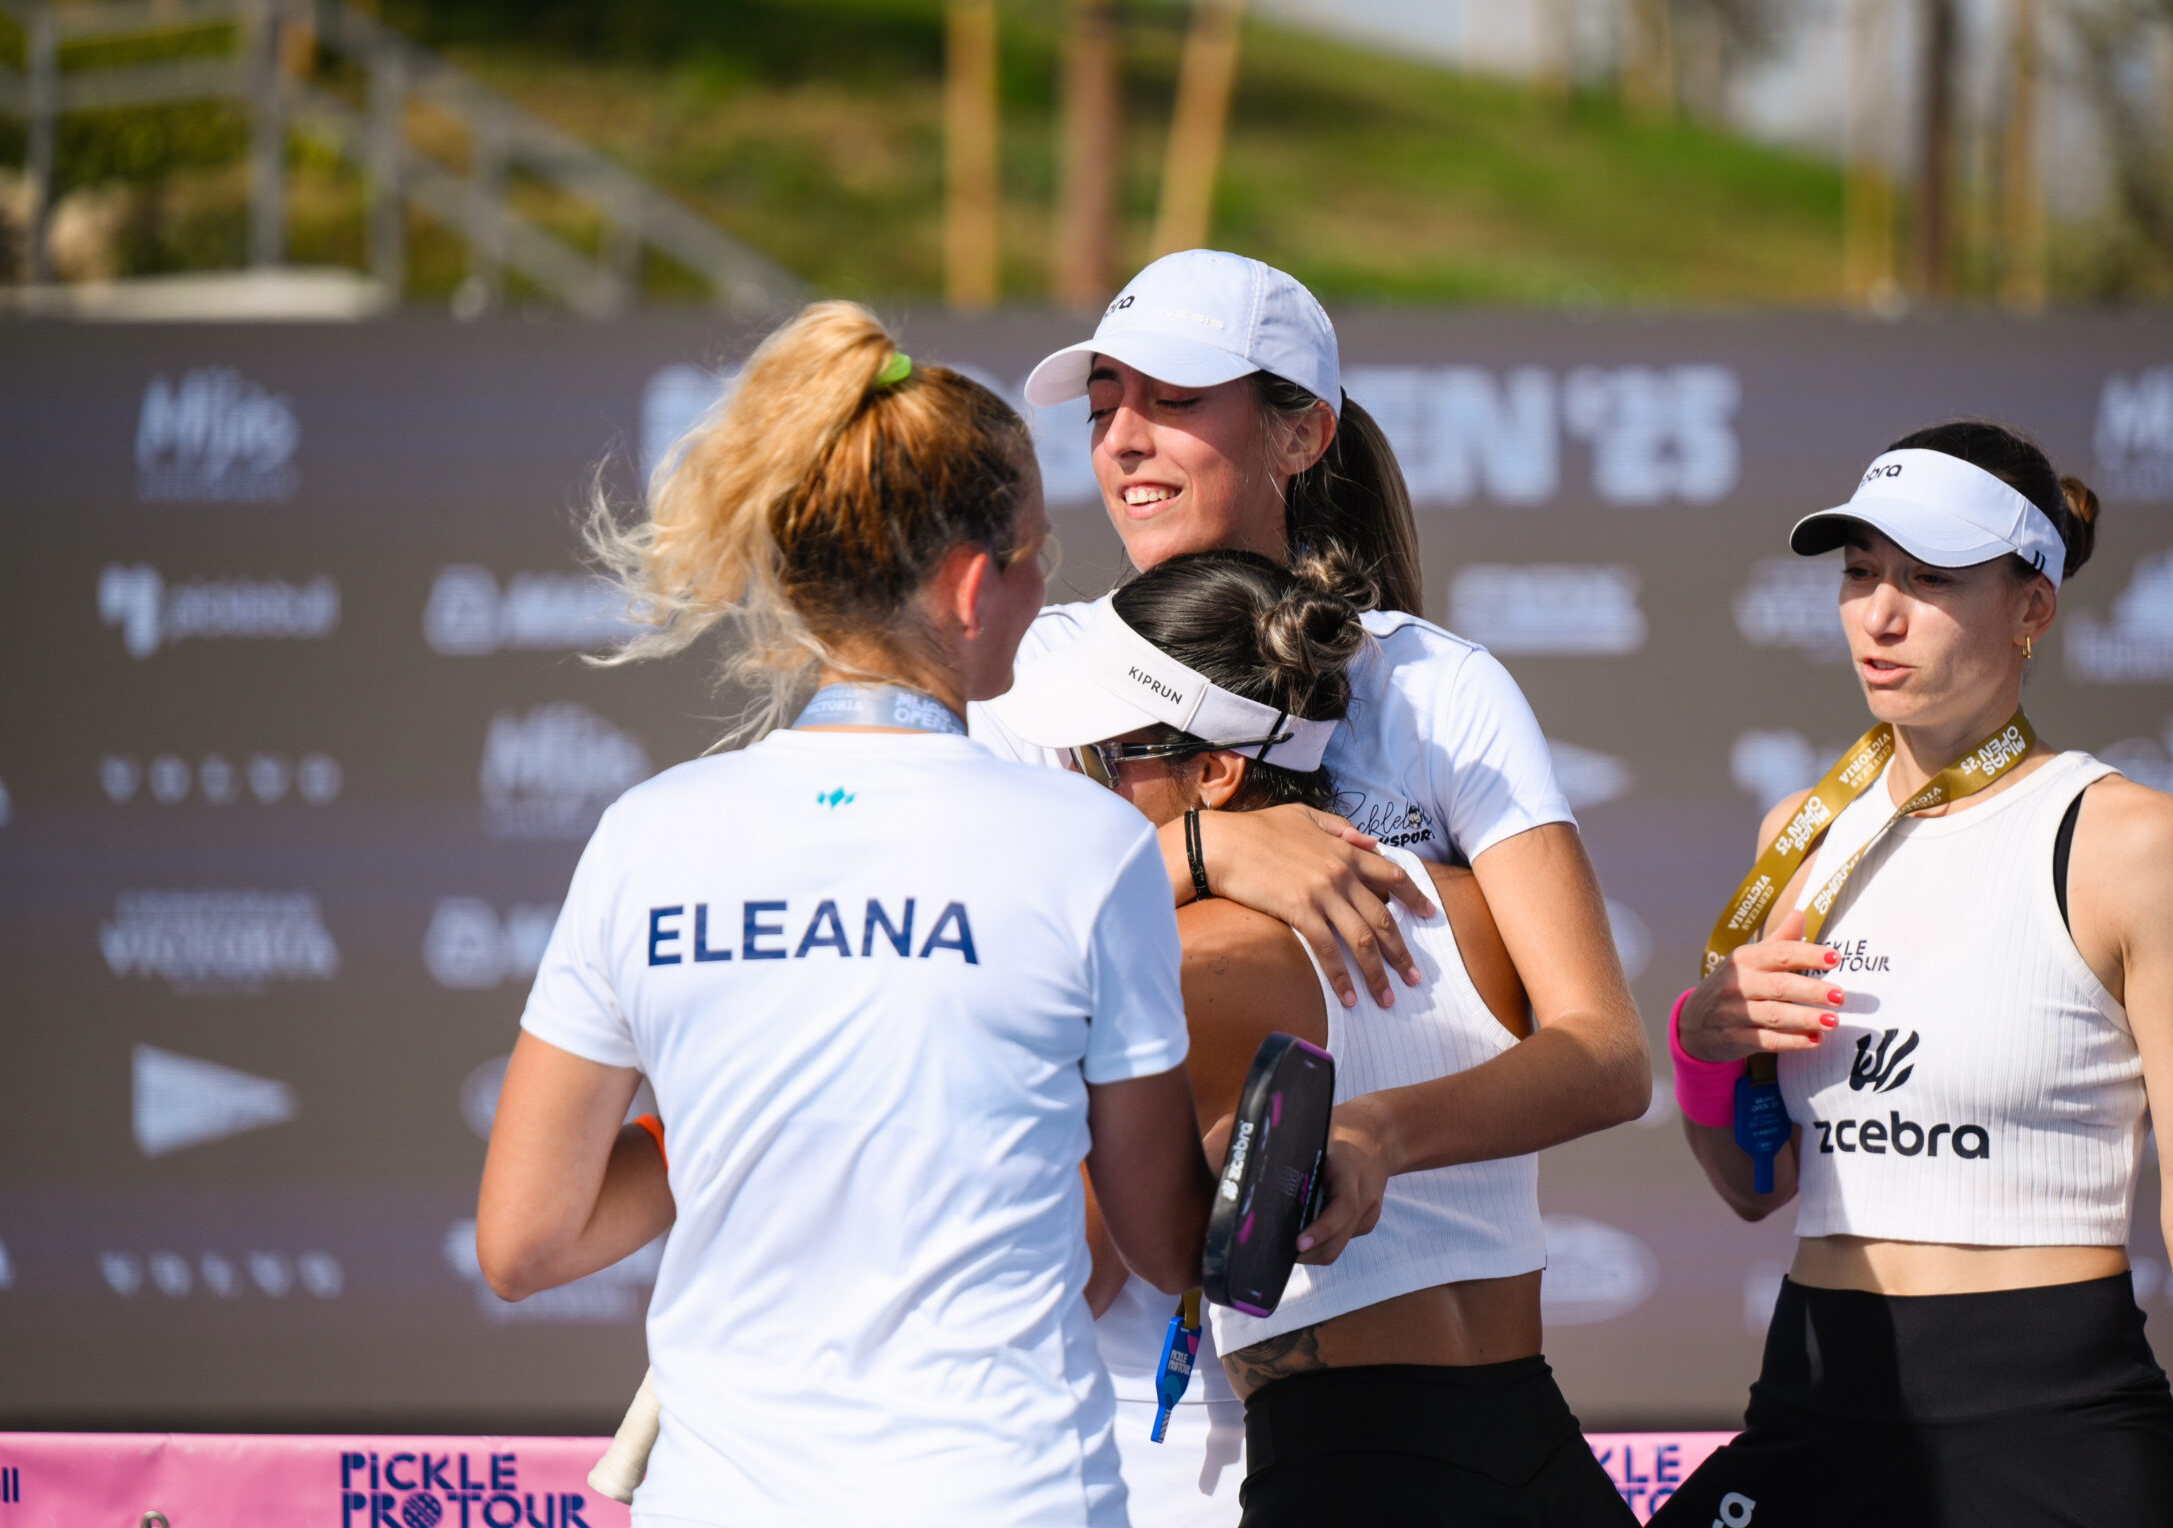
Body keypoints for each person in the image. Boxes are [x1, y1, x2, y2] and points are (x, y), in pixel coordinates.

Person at [472, 303, 1215, 1528]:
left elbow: (525, 1239)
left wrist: (729, 1119)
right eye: (1035, 554)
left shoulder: (647, 835)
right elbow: (1168, 1243)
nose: (1047, 588)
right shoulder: (1087, 845)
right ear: (971, 586)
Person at [972, 249, 1652, 1522]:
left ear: (1302, 431)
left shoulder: (1437, 684)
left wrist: (1365, 1134)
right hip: (1158, 1433)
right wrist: (1194, 855)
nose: (1124, 438)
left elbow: (1604, 1053)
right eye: (1105, 403)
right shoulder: (1026, 677)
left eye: (1176, 399)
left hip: (1317, 1436)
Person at [1649, 421, 2173, 1528]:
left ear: (2032, 607)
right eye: (1859, 574)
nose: (1879, 614)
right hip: (1818, 1393)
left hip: (2049, 1410)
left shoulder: (2131, 839)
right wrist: (1701, 1050)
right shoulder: (1797, 834)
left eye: (1929, 579)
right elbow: (1758, 1186)